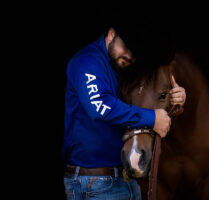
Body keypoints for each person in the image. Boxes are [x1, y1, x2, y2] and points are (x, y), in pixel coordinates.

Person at [61, 25, 186, 200]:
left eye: (134, 51)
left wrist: (175, 97)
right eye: (125, 46)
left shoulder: (120, 66)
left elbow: (144, 93)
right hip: (94, 182)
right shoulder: (87, 61)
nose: (129, 55)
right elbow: (100, 106)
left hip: (123, 178)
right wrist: (152, 119)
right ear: (111, 34)